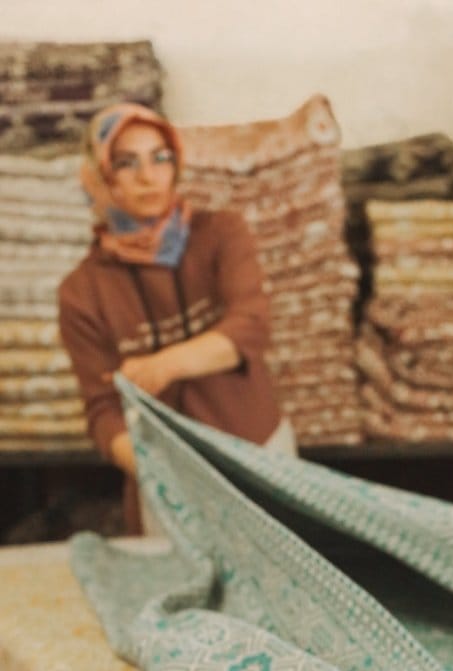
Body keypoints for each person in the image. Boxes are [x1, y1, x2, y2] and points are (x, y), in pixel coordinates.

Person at [59, 102, 293, 533]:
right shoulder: (83, 291)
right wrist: (156, 469)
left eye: (160, 158)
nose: (148, 177)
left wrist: (163, 366)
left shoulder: (220, 234)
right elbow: (103, 410)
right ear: (99, 175)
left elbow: (250, 326)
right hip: (166, 477)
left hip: (259, 454)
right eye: (126, 163)